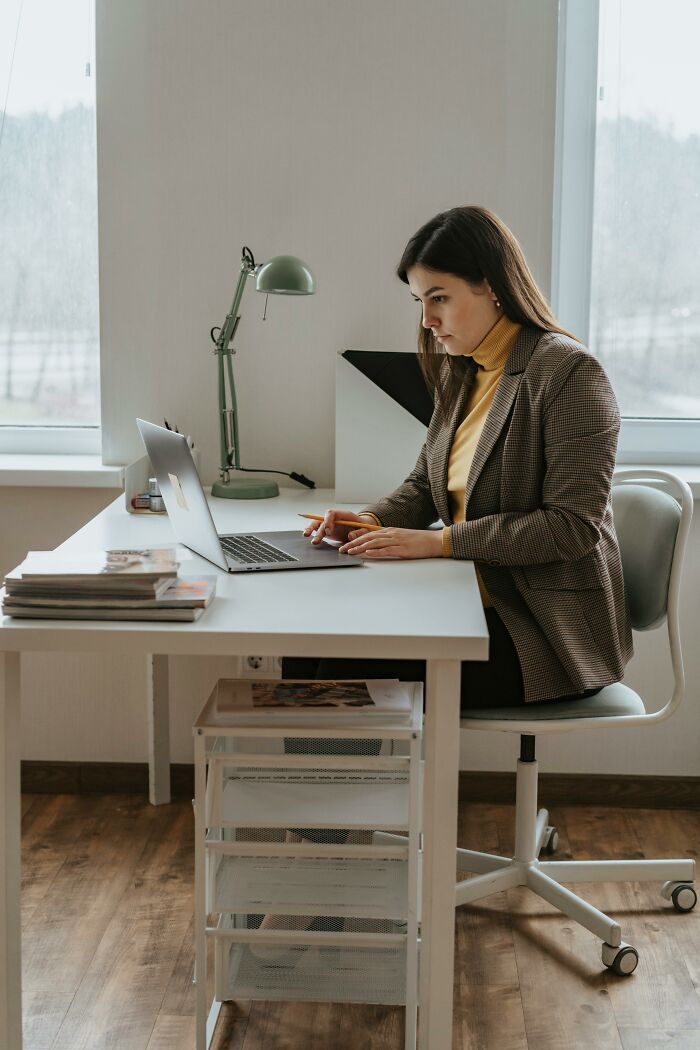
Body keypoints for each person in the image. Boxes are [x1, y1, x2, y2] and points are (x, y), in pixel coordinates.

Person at [254, 205, 632, 953]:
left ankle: (324, 881)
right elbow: (424, 488)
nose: (427, 320)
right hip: (475, 602)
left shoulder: (569, 376)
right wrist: (360, 520)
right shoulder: (464, 372)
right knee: (311, 653)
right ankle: (332, 861)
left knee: (351, 668)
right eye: (418, 302)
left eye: (439, 297)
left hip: (543, 632)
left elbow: (571, 528)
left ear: (492, 289)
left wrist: (439, 545)